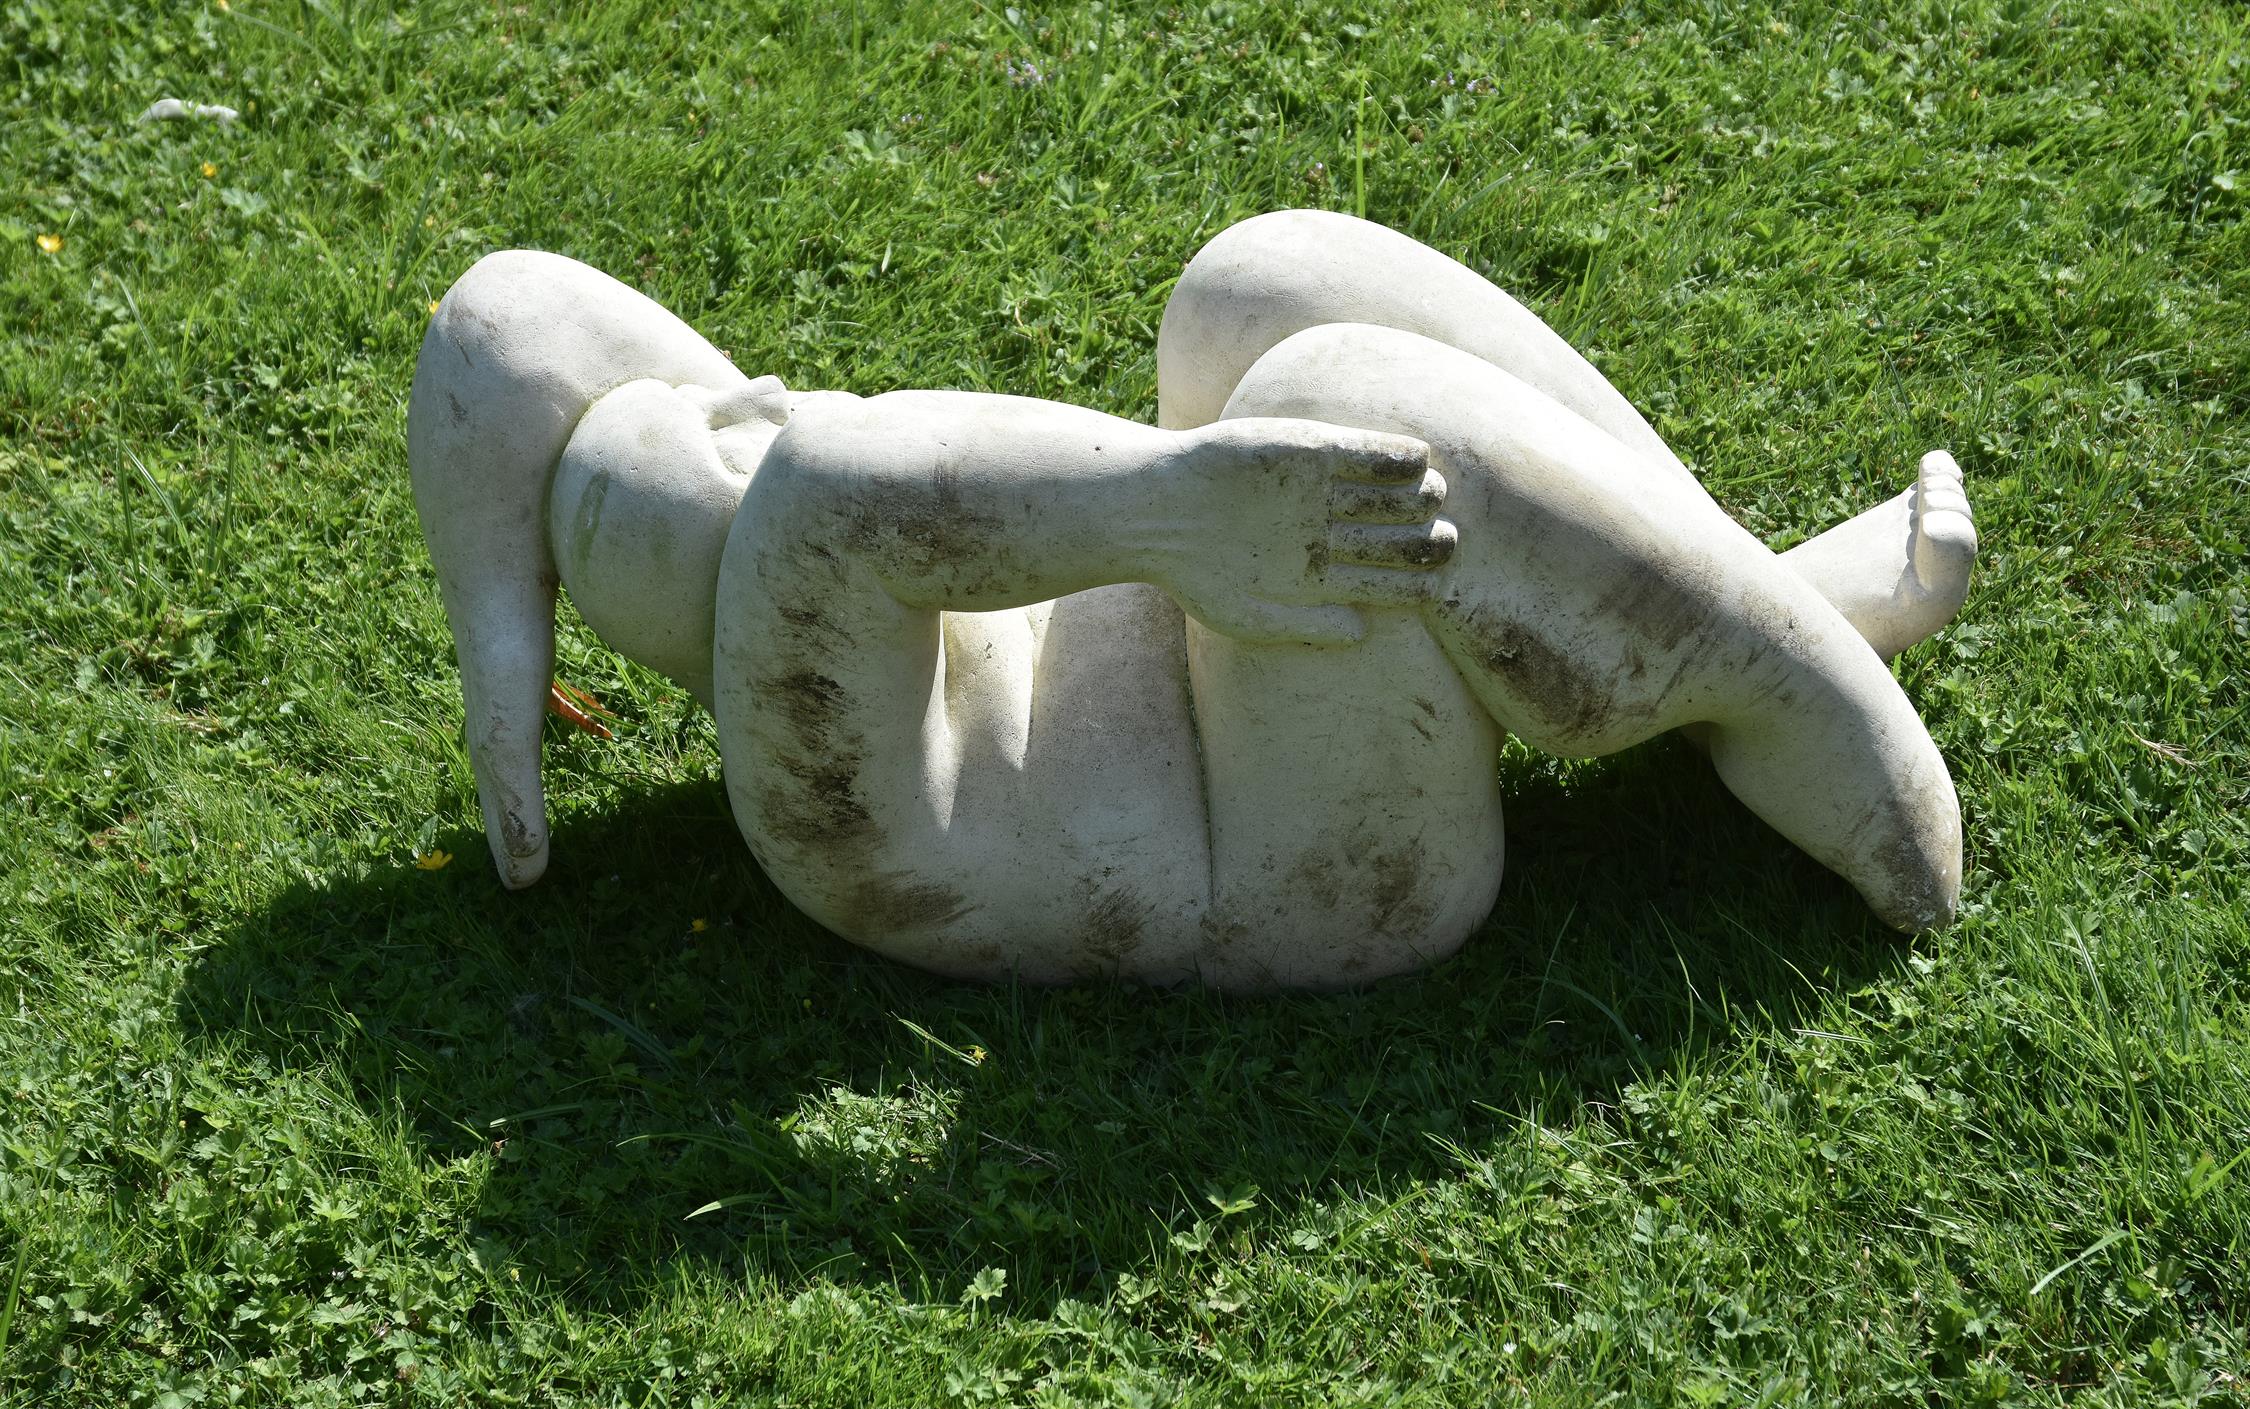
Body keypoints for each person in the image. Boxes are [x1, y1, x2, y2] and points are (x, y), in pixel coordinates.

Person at [408, 210, 1976, 989]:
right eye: (721, 437)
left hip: (1227, 672)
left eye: (717, 393)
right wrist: (1168, 513)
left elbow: (511, 315)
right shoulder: (820, 801)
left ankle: (1743, 595)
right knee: (1332, 389)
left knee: (1253, 281)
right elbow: (840, 479)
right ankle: (1808, 702)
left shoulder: (772, 531)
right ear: (729, 623)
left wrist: (501, 639)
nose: (741, 389)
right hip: (1293, 866)